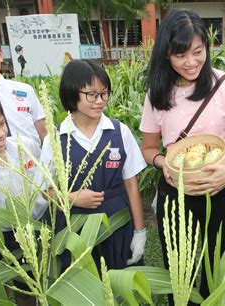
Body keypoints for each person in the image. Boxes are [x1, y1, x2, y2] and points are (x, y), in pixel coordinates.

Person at [139, 8, 225, 299]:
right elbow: (149, 148)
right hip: (175, 195)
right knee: (180, 275)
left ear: (206, 46)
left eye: (198, 51)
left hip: (222, 192)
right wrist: (162, 161)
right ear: (166, 54)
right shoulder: (157, 93)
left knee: (217, 270)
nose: (191, 62)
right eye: (180, 55)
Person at [39, 59, 147, 270]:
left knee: (119, 286)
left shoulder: (119, 132)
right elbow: (44, 190)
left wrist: (139, 231)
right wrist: (72, 198)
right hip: (74, 229)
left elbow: (131, 184)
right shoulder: (55, 138)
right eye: (91, 95)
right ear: (71, 94)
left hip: (117, 222)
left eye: (104, 93)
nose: (100, 101)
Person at [0, 88, 47, 306]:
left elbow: (46, 181)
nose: (0, 133)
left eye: (2, 124)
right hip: (3, 237)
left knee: (37, 284)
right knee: (14, 288)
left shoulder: (25, 146)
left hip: (40, 225)